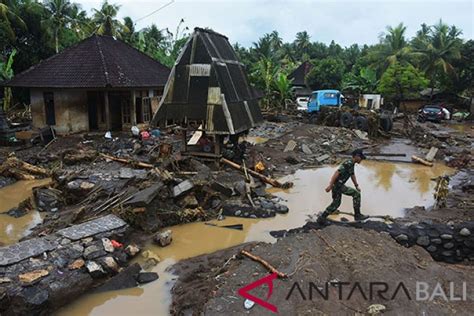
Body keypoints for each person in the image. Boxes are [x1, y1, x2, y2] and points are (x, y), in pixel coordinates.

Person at [317, 149, 369, 223]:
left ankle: (323, 217)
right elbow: (337, 173)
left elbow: (352, 174)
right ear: (357, 156)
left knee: (337, 202)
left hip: (339, 185)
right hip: (338, 185)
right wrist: (330, 186)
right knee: (354, 195)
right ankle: (322, 218)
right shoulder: (348, 163)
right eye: (361, 158)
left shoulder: (351, 164)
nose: (361, 160)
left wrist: (356, 185)